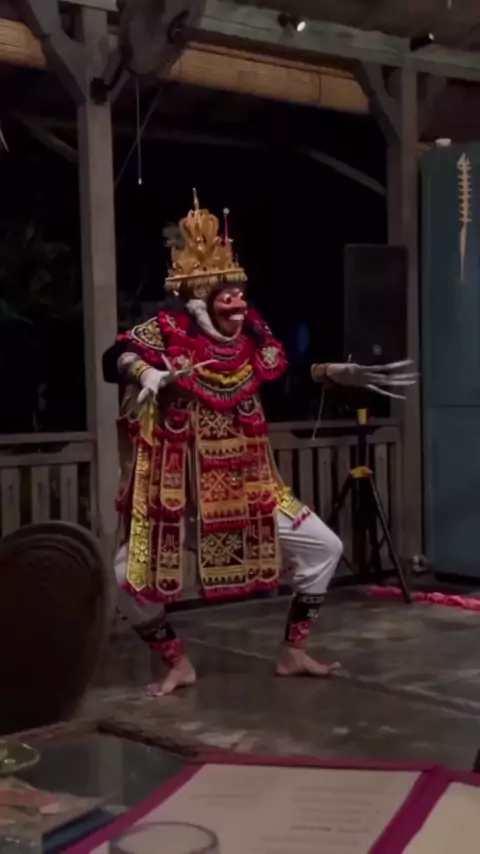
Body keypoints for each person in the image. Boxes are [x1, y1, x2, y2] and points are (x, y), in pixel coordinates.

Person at [103, 191, 415, 696]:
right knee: (124, 580)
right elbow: (114, 356)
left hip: (250, 486)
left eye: (239, 295)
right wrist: (147, 373)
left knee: (325, 548)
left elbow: (283, 368)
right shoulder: (168, 330)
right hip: (184, 494)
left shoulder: (251, 334)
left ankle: (293, 652)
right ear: (202, 300)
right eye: (226, 298)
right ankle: (176, 662)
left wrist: (330, 371)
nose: (238, 305)